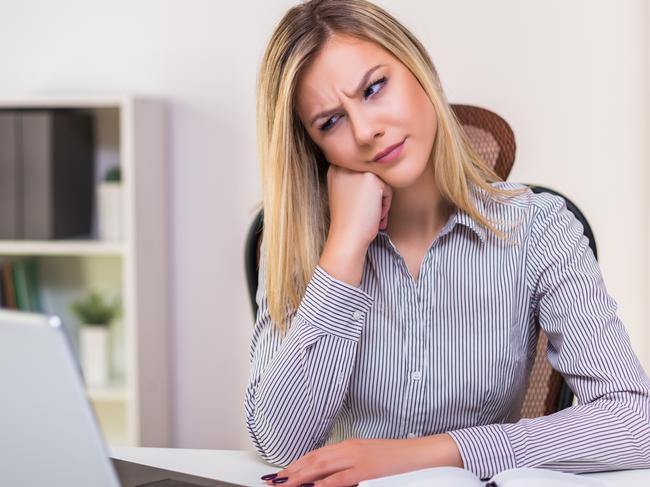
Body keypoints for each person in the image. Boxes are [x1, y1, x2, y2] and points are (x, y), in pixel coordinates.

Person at [245, 1, 650, 486]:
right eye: (330, 122)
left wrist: (441, 452)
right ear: (313, 145)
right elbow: (280, 442)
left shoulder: (537, 231)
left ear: (418, 69)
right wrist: (344, 248)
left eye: (374, 88)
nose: (365, 130)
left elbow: (633, 420)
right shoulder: (297, 243)